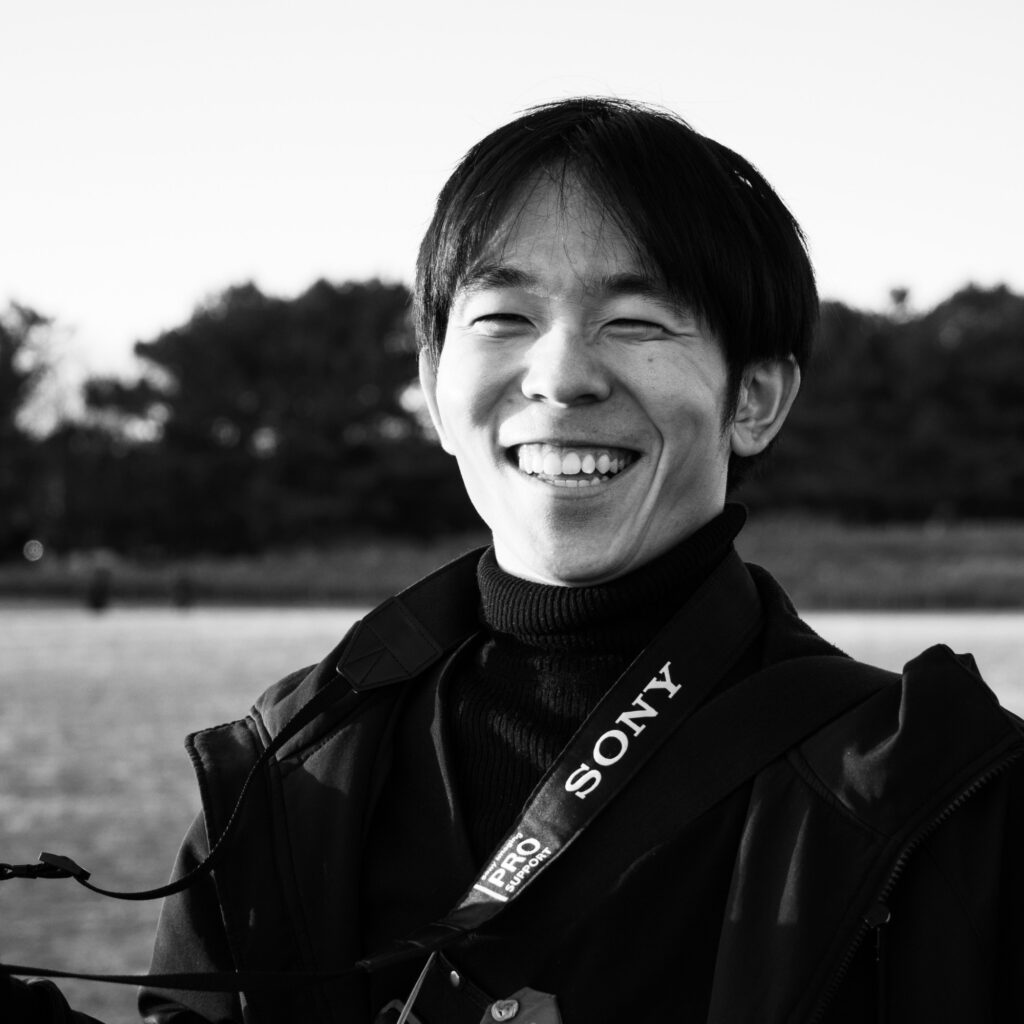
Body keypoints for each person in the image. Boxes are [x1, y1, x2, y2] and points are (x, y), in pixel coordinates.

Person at [6, 97, 1023, 1023]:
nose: (561, 374)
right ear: (433, 387)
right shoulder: (296, 756)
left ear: (753, 399)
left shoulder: (931, 791)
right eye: (504, 318)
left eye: (635, 321)